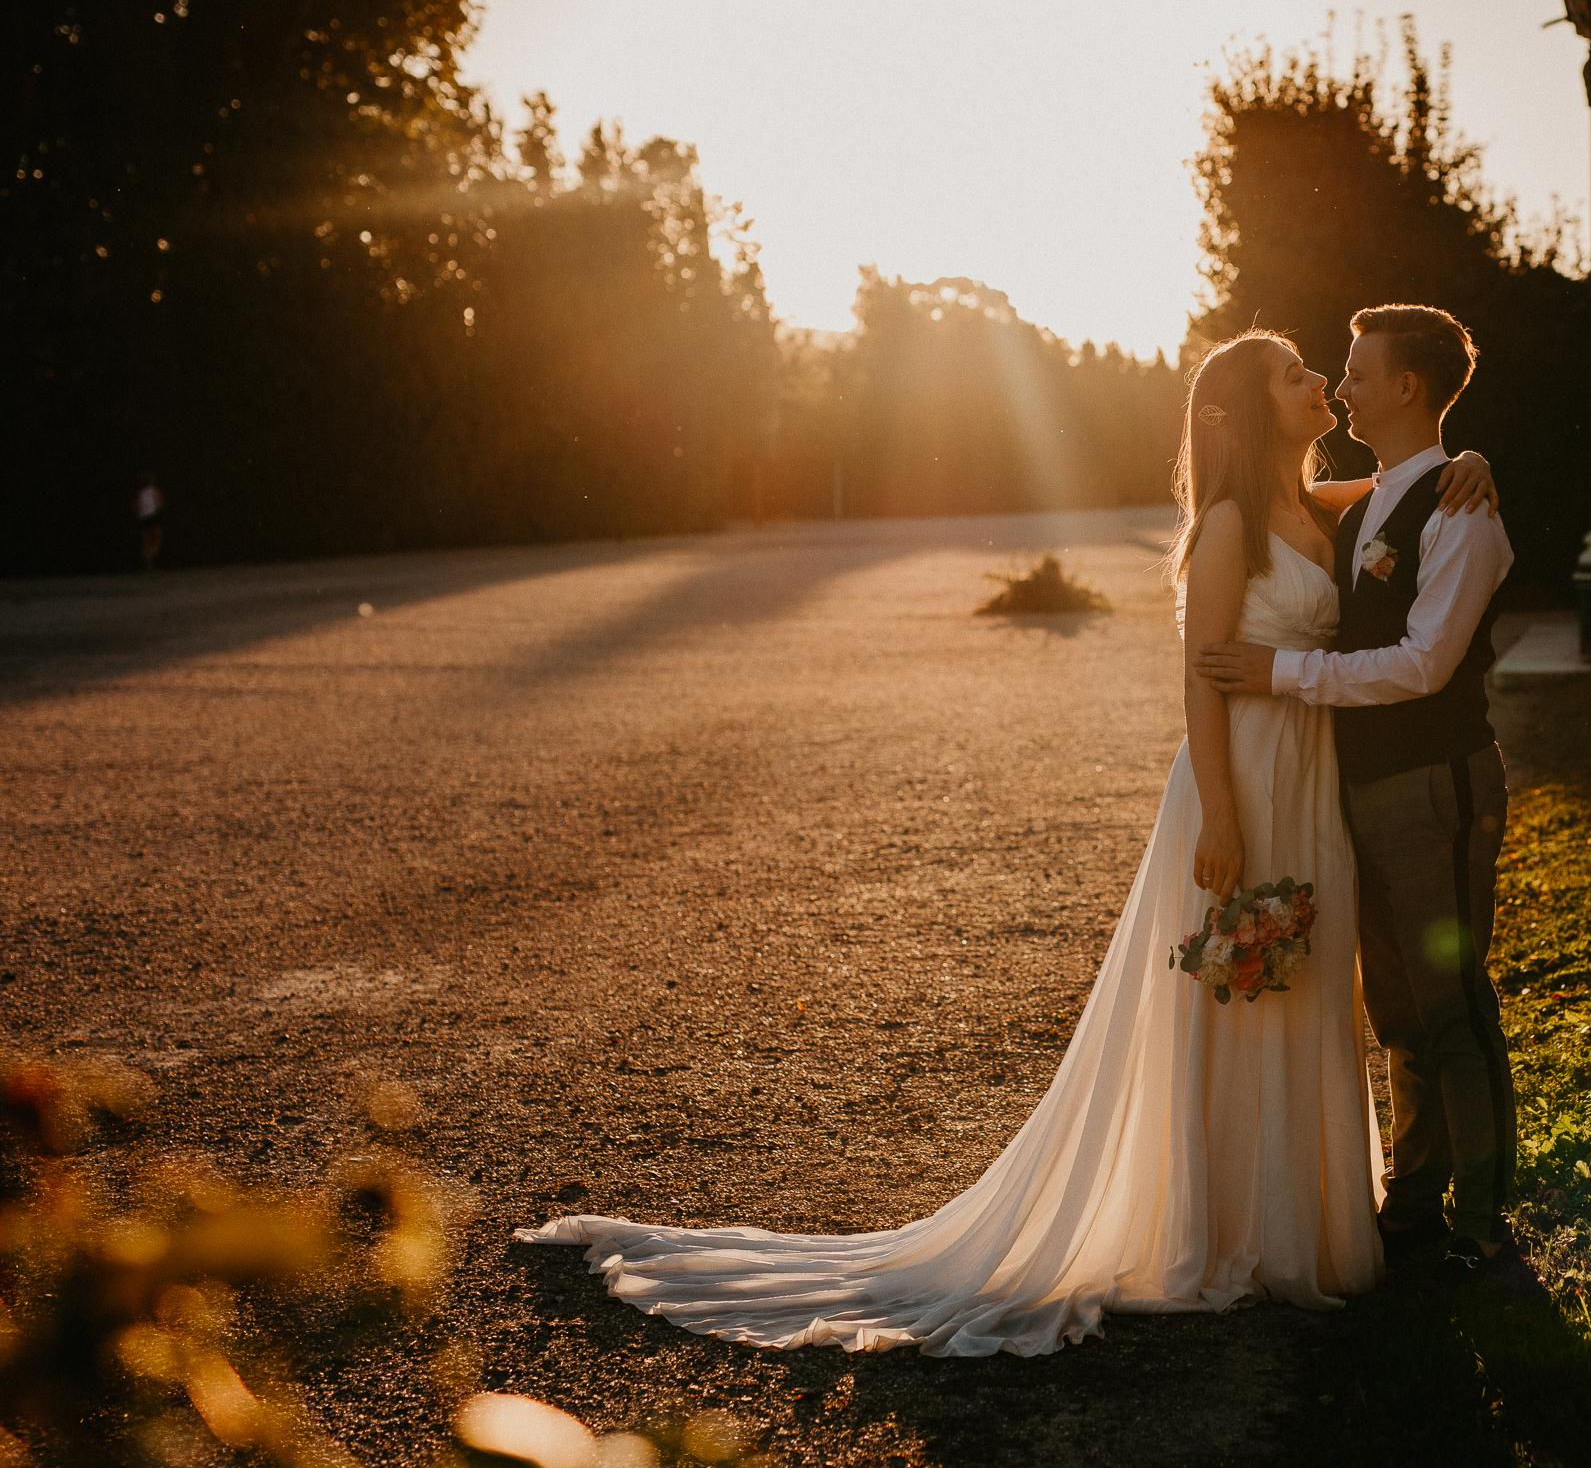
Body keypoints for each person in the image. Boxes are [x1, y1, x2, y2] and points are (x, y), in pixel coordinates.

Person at [516, 330, 1500, 1357]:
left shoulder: (1322, 507)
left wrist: (1469, 460)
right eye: (1295, 375)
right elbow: (1199, 677)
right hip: (1245, 777)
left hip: (1311, 779)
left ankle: (1294, 1217)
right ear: (1254, 412)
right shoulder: (1227, 524)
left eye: (1314, 369)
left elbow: (1409, 483)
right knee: (1233, 996)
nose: (1319, 383)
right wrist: (1219, 810)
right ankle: (1231, 1229)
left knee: (1301, 988)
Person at [1194, 305, 1519, 1269]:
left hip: (1432, 783)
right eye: (1322, 373)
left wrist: (1281, 672)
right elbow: (1296, 500)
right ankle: (1414, 1202)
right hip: (1351, 789)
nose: (1339, 387)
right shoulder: (1367, 499)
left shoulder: (1460, 511)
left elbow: (1422, 665)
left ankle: (1481, 1221)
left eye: (1356, 372)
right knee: (1399, 1012)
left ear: (1407, 387)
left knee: (1451, 1003)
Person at [134, 473, 165, 570]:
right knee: (157, 538)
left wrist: (140, 513)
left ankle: (148, 561)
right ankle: (150, 556)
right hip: (152, 516)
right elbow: (159, 503)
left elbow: (136, 505)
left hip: (143, 517)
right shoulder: (153, 490)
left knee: (146, 541)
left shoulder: (140, 492)